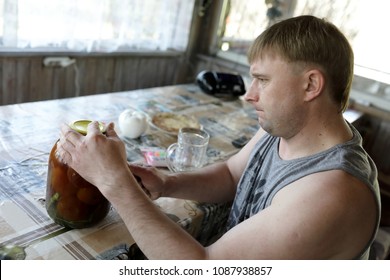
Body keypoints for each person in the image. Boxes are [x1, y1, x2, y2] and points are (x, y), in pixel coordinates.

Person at [58, 15, 381, 259]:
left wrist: (116, 183)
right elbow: (231, 174)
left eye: (262, 80)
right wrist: (167, 183)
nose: (248, 95)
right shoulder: (286, 128)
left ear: (311, 85)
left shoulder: (334, 192)